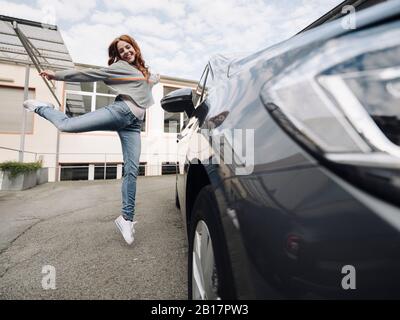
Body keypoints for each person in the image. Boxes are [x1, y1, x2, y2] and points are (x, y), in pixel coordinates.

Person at [23, 35, 160, 245]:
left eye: (127, 47)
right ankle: (43, 108)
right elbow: (89, 74)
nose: (125, 52)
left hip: (133, 125)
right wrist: (57, 76)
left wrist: (152, 79)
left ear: (135, 47)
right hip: (120, 112)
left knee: (132, 170)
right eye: (120, 51)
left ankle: (126, 218)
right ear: (118, 56)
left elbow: (145, 88)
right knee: (66, 125)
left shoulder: (142, 70)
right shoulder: (121, 66)